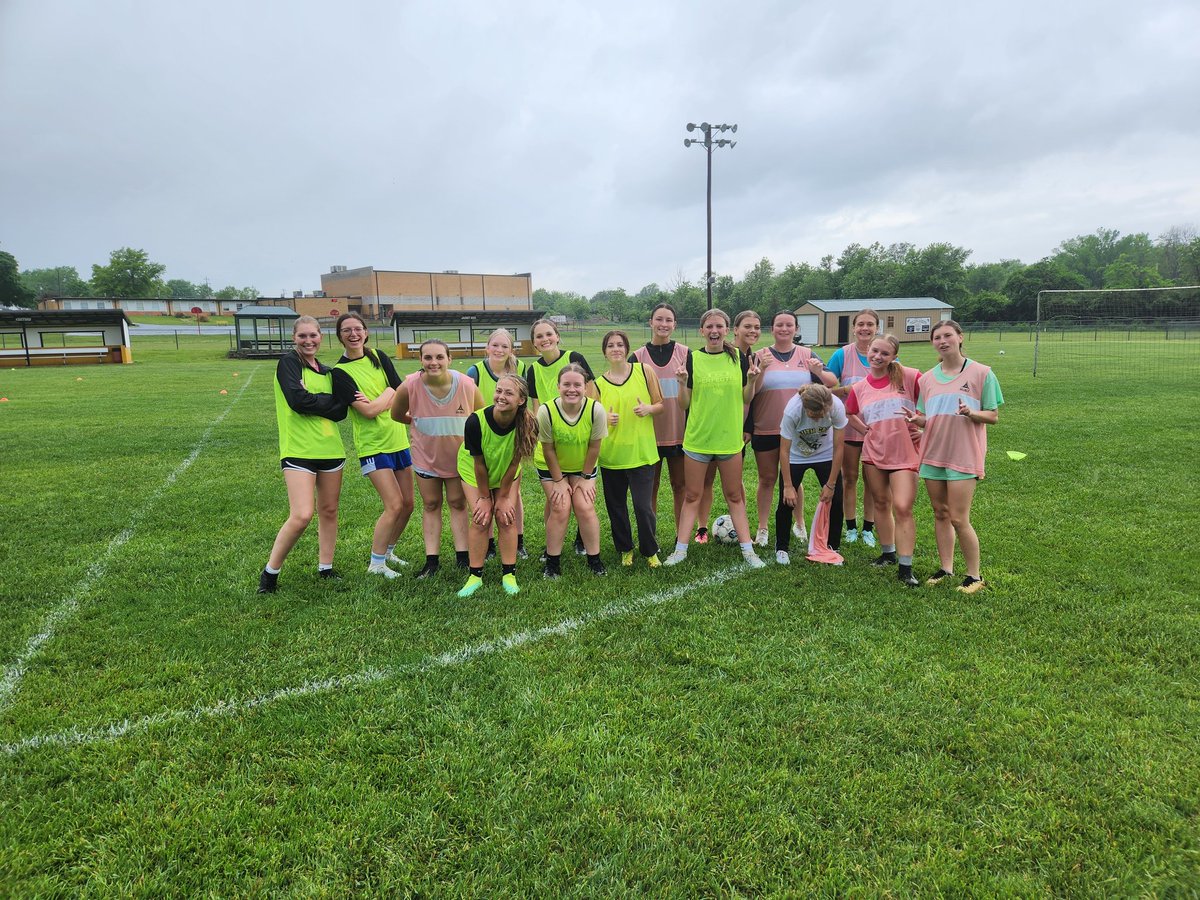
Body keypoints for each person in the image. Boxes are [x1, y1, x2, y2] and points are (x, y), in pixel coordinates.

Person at [905, 320, 1003, 594]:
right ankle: (946, 568)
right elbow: (929, 417)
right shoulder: (926, 379)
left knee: (959, 518)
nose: (942, 340)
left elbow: (993, 416)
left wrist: (972, 413)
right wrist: (918, 420)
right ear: (932, 342)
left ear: (960, 337)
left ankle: (974, 576)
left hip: (964, 455)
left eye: (948, 335)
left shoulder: (982, 373)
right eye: (937, 337)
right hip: (933, 453)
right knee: (940, 513)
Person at [663, 308, 765, 569]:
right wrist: (682, 382)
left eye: (719, 326)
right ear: (702, 331)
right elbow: (683, 403)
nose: (714, 331)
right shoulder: (692, 359)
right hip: (698, 440)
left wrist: (752, 381)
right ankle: (680, 551)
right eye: (709, 327)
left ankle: (748, 552)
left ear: (727, 329)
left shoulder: (739, 360)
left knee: (734, 496)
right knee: (691, 496)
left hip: (729, 440)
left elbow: (745, 398)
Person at [258, 315, 349, 593]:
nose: (308, 341)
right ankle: (270, 574)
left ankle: (326, 568)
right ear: (294, 338)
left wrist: (318, 400)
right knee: (301, 514)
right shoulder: (289, 363)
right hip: (298, 450)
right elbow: (297, 400)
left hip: (331, 450)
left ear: (321, 337)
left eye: (313, 336)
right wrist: (326, 402)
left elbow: (342, 410)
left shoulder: (329, 371)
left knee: (329, 511)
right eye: (302, 336)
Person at [330, 312, 416, 579]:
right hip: (373, 446)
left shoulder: (379, 357)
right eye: (347, 330)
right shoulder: (340, 373)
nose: (353, 334)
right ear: (340, 336)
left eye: (358, 329)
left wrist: (385, 398)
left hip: (398, 440)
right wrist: (388, 395)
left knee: (409, 504)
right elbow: (368, 412)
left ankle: (388, 552)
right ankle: (375, 564)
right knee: (393, 505)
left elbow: (402, 392)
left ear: (366, 332)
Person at [390, 340, 482, 579]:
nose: (434, 362)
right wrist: (420, 422)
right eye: (428, 357)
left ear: (449, 359)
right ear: (420, 360)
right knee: (431, 504)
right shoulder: (409, 386)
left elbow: (481, 418)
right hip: (426, 457)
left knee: (458, 503)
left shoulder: (466, 384)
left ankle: (463, 558)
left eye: (440, 357)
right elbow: (396, 414)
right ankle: (432, 562)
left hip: (458, 458)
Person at [750, 310, 838, 548]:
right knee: (767, 478)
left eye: (789, 325)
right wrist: (762, 370)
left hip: (801, 430)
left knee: (794, 480)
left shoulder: (807, 354)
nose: (784, 328)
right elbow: (752, 392)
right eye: (779, 324)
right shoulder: (760, 355)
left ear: (796, 329)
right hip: (766, 426)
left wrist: (818, 371)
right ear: (772, 328)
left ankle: (798, 523)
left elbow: (832, 383)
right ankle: (762, 527)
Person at [844, 334, 922, 587]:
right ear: (869, 349)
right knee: (880, 502)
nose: (878, 357)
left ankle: (906, 566)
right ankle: (888, 552)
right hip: (874, 454)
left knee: (902, 507)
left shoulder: (910, 376)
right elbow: (850, 412)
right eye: (875, 351)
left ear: (893, 357)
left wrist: (921, 422)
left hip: (905, 453)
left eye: (885, 354)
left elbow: (931, 397)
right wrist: (865, 430)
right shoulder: (859, 387)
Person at [456, 374, 539, 597]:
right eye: (498, 390)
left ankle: (509, 574)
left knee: (505, 515)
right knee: (481, 518)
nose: (500, 396)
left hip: (505, 470)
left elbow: (514, 463)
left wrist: (502, 497)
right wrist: (484, 498)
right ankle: (475, 576)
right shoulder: (475, 421)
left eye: (508, 393)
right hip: (474, 471)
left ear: (521, 400)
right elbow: (479, 464)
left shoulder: (529, 424)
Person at [591, 330, 664, 568]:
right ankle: (625, 548)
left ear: (626, 349)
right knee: (617, 507)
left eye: (620, 345)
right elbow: (591, 420)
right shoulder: (598, 385)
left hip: (641, 453)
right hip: (612, 457)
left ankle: (650, 550)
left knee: (643, 507)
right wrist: (604, 419)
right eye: (610, 345)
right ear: (605, 352)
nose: (615, 349)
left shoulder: (644, 371)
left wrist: (649, 410)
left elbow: (660, 405)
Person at [524, 317, 594, 555]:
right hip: (550, 442)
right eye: (539, 337)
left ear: (557, 335)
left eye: (548, 334)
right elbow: (535, 408)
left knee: (582, 499)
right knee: (555, 499)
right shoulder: (532, 369)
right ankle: (551, 546)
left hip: (578, 441)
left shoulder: (574, 358)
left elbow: (592, 397)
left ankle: (582, 540)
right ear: (534, 343)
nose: (545, 339)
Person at [536, 364, 609, 577]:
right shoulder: (546, 411)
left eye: (577, 385)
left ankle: (594, 559)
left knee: (584, 506)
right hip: (550, 465)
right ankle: (552, 563)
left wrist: (586, 477)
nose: (572, 389)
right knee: (560, 506)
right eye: (566, 384)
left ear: (585, 388)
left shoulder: (595, 410)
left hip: (582, 465)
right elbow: (548, 450)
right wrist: (559, 481)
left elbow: (595, 446)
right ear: (558, 386)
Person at [694, 309, 760, 543]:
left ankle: (744, 531)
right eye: (747, 327)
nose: (752, 332)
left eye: (756, 327)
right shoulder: (704, 358)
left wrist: (747, 426)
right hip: (706, 432)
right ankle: (701, 528)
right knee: (706, 481)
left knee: (735, 487)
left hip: (733, 433)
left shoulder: (745, 358)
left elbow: (747, 396)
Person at [466, 328, 528, 560]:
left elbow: (523, 404)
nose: (499, 350)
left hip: (509, 436)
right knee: (486, 496)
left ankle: (518, 540)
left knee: (512, 493)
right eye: (495, 345)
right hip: (485, 435)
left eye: (505, 346)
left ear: (511, 350)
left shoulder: (519, 368)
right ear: (487, 347)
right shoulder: (476, 371)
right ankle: (489, 543)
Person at [632, 303, 690, 535]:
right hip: (649, 435)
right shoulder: (637, 357)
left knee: (680, 486)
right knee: (649, 489)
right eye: (659, 319)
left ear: (674, 325)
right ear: (651, 323)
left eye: (668, 320)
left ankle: (681, 536)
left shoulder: (686, 354)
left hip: (680, 433)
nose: (663, 324)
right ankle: (650, 538)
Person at [776, 384, 847, 564]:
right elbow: (783, 451)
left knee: (837, 499)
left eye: (823, 415)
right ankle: (782, 548)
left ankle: (832, 546)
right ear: (806, 408)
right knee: (786, 501)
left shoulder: (836, 406)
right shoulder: (793, 410)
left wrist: (831, 485)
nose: (820, 418)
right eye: (815, 415)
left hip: (824, 453)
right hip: (795, 456)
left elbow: (839, 447)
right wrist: (788, 486)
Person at [828, 309, 881, 548]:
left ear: (876, 328)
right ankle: (850, 527)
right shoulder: (842, 355)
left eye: (870, 324)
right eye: (860, 324)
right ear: (853, 328)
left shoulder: (884, 355)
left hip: (876, 429)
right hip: (848, 427)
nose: (865, 328)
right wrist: (848, 391)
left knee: (873, 481)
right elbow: (826, 388)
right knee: (849, 478)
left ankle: (868, 528)